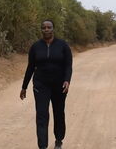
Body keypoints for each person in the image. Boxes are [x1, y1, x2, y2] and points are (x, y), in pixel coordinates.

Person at [20, 20, 72, 149]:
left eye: (49, 27)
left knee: (58, 112)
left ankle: (59, 140)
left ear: (53, 29)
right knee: (42, 115)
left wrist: (67, 80)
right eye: (44, 27)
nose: (46, 29)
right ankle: (42, 146)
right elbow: (30, 67)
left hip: (59, 85)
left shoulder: (63, 45)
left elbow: (68, 65)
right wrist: (24, 86)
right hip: (41, 84)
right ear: (41, 30)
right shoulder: (35, 47)